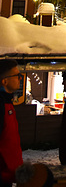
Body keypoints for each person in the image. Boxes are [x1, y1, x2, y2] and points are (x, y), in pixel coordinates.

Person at [0, 59, 23, 187]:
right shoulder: (1, 105)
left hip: (9, 175)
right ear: (5, 81)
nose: (20, 78)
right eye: (17, 75)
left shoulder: (8, 103)